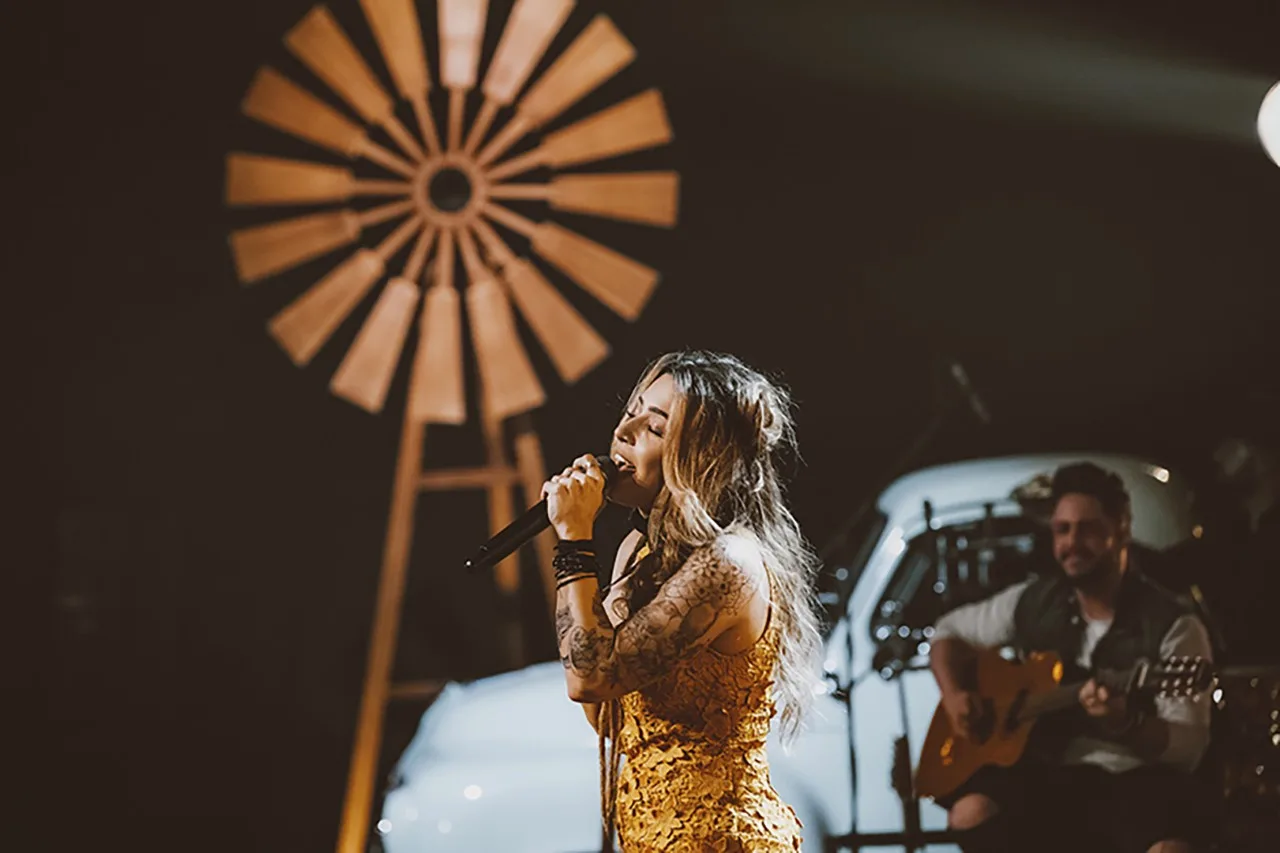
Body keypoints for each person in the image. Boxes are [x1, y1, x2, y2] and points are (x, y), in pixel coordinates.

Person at [542, 350, 823, 852]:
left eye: (655, 427)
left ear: (703, 456)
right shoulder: (637, 552)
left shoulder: (728, 564)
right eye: (630, 414)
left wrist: (574, 541)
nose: (623, 433)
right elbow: (605, 712)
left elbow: (590, 678)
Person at [928, 462, 1216, 853]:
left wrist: (1126, 723)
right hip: (1044, 773)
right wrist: (954, 693)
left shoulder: (1174, 625)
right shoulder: (1034, 600)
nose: (1072, 543)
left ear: (1122, 528)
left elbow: (1189, 750)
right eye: (1062, 530)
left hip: (1130, 776)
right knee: (970, 812)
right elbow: (949, 631)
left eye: (1088, 529)